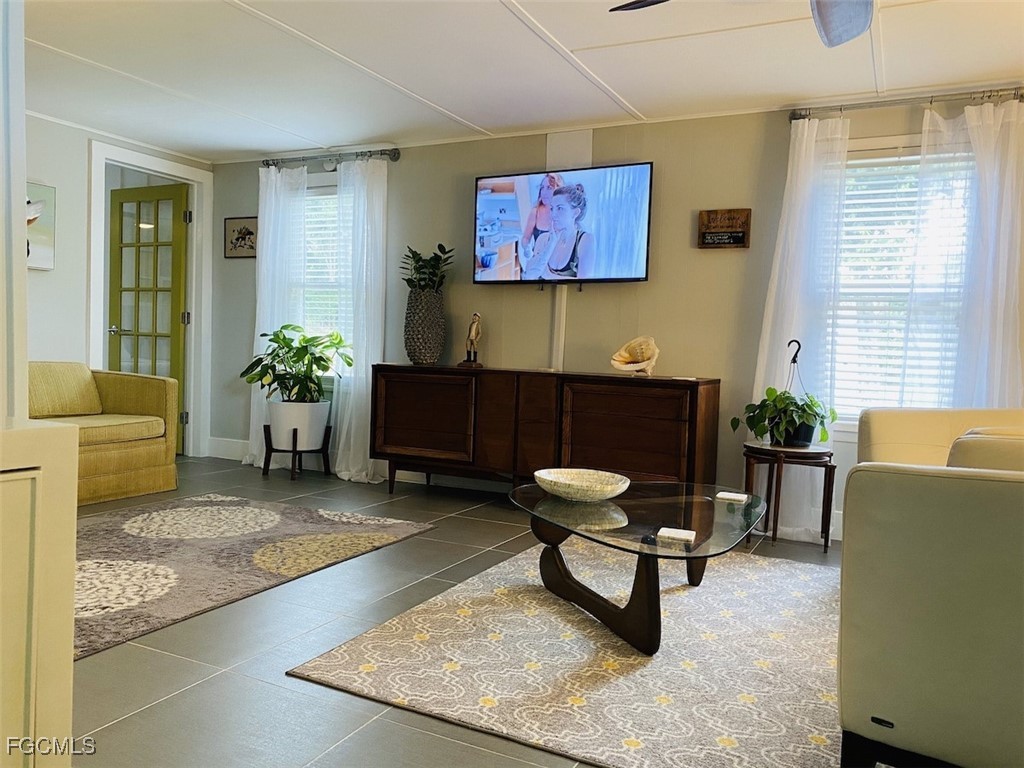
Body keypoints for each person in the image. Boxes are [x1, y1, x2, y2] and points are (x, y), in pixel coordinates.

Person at [524, 183, 596, 280]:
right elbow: (529, 276)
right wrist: (551, 243)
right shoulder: (543, 239)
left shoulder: (586, 240)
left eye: (560, 208)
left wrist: (548, 275)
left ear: (575, 213)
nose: (553, 214)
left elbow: (584, 285)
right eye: (552, 208)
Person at [519, 173, 564, 271]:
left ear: (558, 190)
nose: (544, 192)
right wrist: (527, 248)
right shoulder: (535, 212)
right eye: (542, 188)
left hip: (557, 266)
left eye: (549, 188)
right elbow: (526, 238)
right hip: (537, 265)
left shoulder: (564, 214)